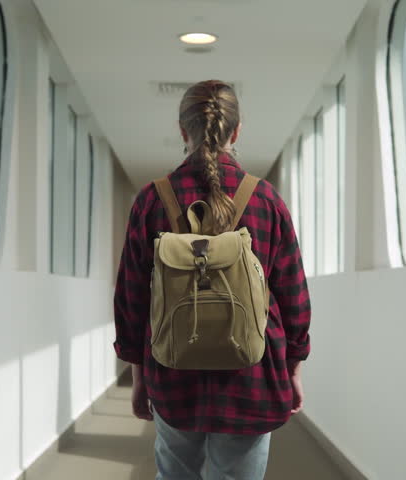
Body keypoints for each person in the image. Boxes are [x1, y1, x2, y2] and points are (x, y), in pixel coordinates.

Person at [113, 79, 311, 480]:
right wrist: (293, 369)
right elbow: (293, 296)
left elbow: (132, 299)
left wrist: (139, 376)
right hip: (252, 374)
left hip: (172, 371)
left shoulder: (152, 199)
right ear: (236, 132)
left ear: (183, 131)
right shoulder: (266, 200)